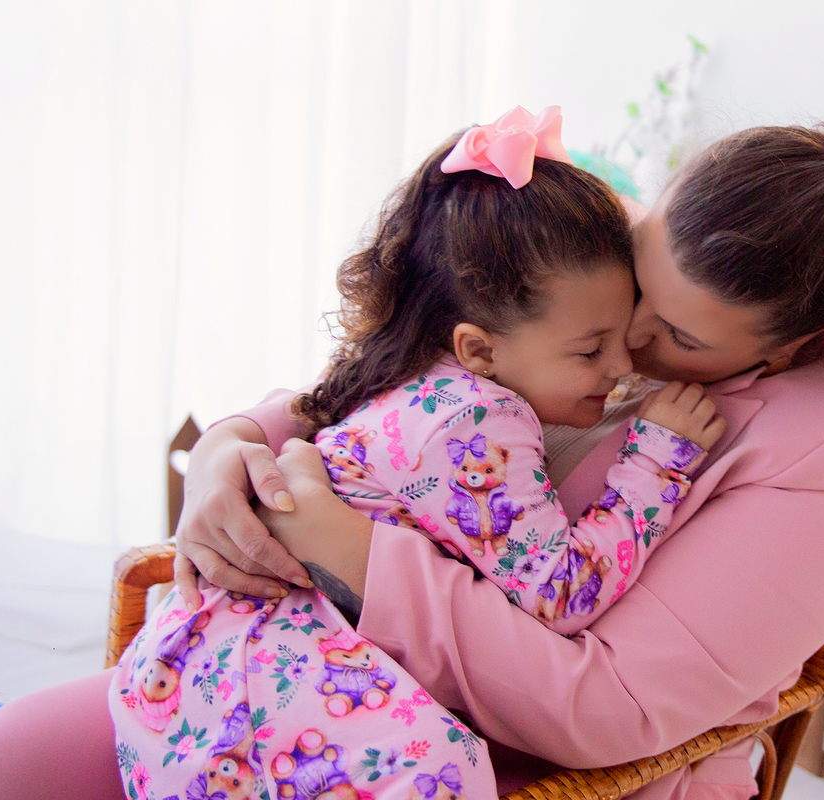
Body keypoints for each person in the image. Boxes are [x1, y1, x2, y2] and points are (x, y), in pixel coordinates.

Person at [0, 121, 824, 800]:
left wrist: (358, 552)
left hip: (506, 748)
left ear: (806, 339)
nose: (632, 337)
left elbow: (611, 707)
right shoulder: (602, 277)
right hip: (310, 658)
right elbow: (402, 387)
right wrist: (236, 447)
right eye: (639, 275)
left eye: (677, 334)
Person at [108, 106, 724, 800]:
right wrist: (655, 463)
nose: (621, 366)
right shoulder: (476, 422)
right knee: (443, 770)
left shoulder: (411, 373)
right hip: (261, 668)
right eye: (591, 349)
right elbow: (561, 594)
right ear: (479, 349)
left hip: (195, 668)